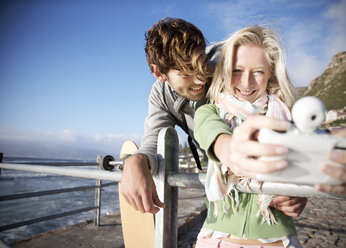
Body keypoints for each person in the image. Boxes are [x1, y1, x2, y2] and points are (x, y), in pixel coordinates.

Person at [119, 17, 307, 217]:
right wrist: (135, 161)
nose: (200, 78)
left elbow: (280, 105)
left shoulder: (230, 62)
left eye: (202, 64)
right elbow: (154, 140)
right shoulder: (161, 96)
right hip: (223, 188)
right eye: (186, 73)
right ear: (158, 73)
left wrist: (299, 187)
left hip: (265, 183)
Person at [194, 25, 303, 248]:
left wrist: (299, 196)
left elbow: (302, 173)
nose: (246, 82)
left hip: (276, 241)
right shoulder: (209, 112)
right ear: (225, 70)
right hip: (217, 239)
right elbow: (212, 134)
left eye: (258, 72)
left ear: (271, 73)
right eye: (237, 70)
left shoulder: (289, 120)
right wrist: (230, 149)